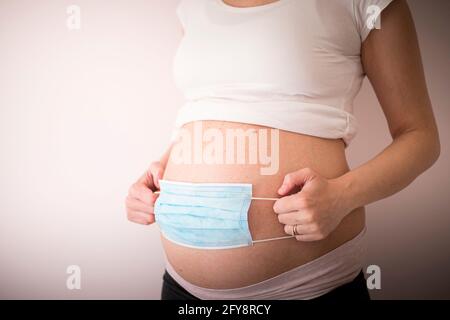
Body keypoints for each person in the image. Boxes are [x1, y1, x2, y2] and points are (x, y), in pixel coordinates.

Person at [125, 0, 440, 300]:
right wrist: (161, 169)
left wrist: (342, 196)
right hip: (182, 289)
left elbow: (420, 136)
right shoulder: (193, 7)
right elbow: (202, 108)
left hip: (306, 286)